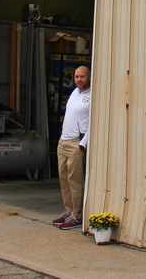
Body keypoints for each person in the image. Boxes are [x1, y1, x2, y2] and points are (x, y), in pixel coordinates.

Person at [53, 65, 90, 230]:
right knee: (63, 179)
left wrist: (83, 144)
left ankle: (77, 215)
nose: (79, 80)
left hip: (76, 142)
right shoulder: (75, 92)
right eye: (76, 77)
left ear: (89, 77)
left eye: (82, 77)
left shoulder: (92, 95)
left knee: (75, 181)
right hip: (63, 141)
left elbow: (93, 123)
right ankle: (68, 210)